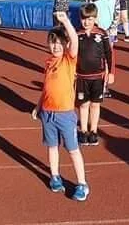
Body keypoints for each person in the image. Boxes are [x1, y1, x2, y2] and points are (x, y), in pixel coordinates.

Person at [31, 12, 89, 202]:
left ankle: (82, 184)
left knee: (72, 149)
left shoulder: (68, 59)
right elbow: (46, 87)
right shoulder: (49, 62)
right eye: (52, 42)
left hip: (65, 114)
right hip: (48, 113)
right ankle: (55, 176)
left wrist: (65, 21)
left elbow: (75, 39)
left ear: (65, 44)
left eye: (59, 42)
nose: (55, 46)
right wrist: (38, 106)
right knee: (52, 146)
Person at [75, 3, 114, 147]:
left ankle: (93, 131)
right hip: (81, 77)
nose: (87, 22)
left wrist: (111, 72)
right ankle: (84, 131)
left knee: (95, 105)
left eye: (90, 19)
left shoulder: (102, 34)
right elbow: (72, 55)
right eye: (84, 19)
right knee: (83, 105)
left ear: (95, 18)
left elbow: (109, 54)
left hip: (98, 77)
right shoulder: (77, 34)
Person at [88, 0, 119, 98]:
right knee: (95, 59)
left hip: (109, 32)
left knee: (106, 59)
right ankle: (95, 84)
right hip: (96, 31)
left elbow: (117, 13)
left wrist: (111, 29)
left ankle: (105, 86)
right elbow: (89, 14)